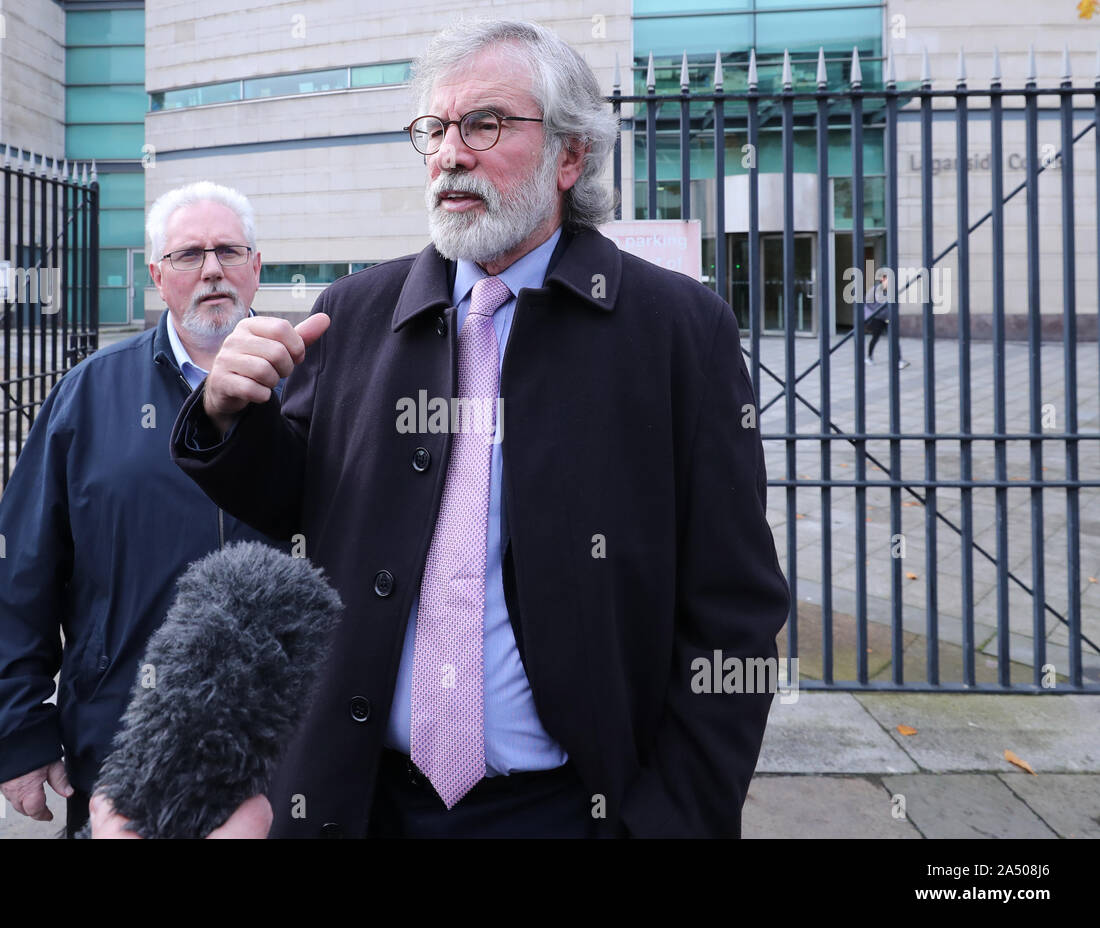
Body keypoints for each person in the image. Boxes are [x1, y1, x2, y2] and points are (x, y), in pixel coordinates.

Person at [171, 20, 791, 838]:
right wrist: (228, 411)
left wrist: (675, 817)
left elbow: (734, 612)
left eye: (485, 125)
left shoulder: (676, 331)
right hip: (361, 805)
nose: (450, 154)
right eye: (434, 129)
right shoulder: (354, 315)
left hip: (573, 812)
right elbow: (295, 505)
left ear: (569, 157)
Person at [0, 181, 280, 839]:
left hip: (283, 744)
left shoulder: (313, 385)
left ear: (257, 265)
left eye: (229, 250)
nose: (212, 269)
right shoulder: (88, 395)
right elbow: (20, 566)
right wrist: (18, 728)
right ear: (156, 275)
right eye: (189, 254)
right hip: (122, 736)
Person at [863, 273, 909, 369]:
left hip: (888, 318)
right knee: (876, 337)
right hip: (876, 318)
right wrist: (871, 316)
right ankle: (869, 357)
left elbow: (896, 304)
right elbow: (866, 304)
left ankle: (899, 360)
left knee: (894, 338)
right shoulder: (875, 290)